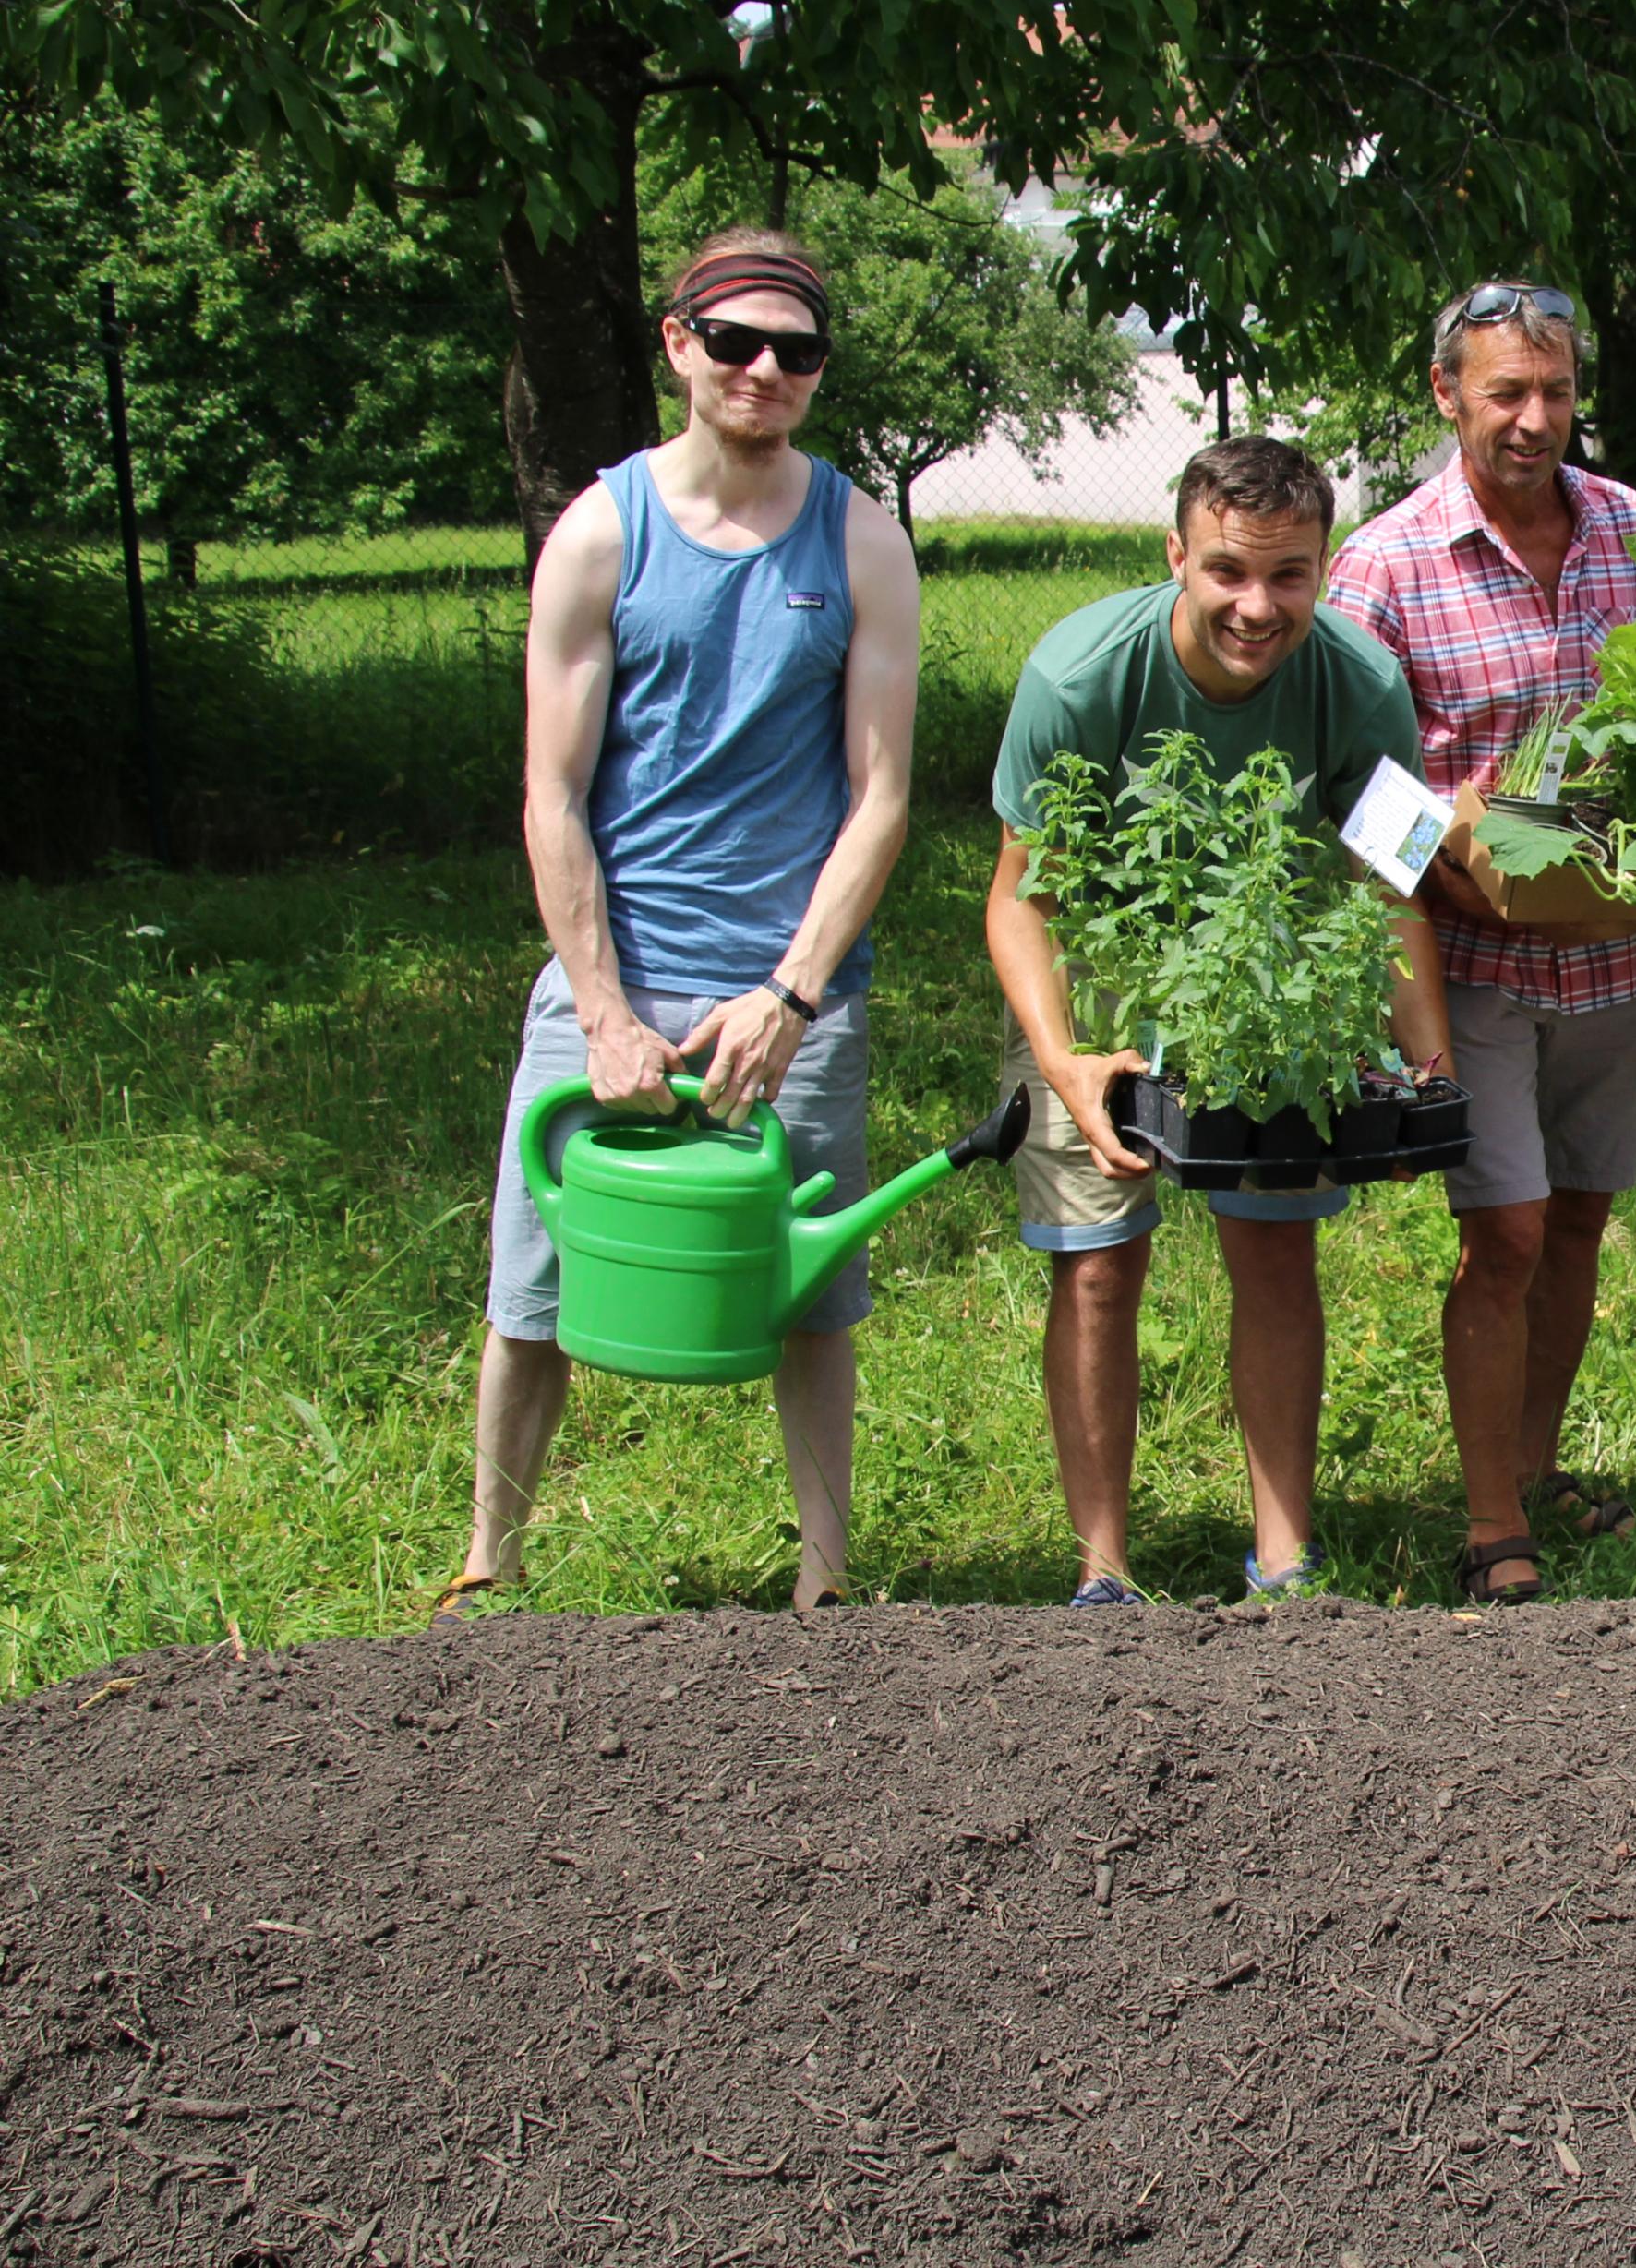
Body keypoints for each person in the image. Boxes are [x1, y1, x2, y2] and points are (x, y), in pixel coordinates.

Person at [445, 228, 922, 1619]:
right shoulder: (602, 532)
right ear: (679, 345)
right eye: (735, 341)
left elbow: (882, 799)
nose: (765, 369)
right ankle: (489, 1564)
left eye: (797, 349)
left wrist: (791, 995)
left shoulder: (862, 540)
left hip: (791, 989)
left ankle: (825, 1584)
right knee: (531, 1289)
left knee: (811, 1291)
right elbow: (551, 796)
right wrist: (601, 1015)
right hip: (615, 977)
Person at [985, 436, 1453, 1605]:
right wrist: (1065, 1062)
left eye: (1289, 575)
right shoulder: (1075, 677)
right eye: (1228, 571)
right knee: (1097, 1267)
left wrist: (1429, 1071)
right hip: (1101, 976)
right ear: (1176, 557)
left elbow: (1393, 888)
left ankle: (1286, 1559)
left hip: (1271, 978)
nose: (1258, 606)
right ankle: (1103, 1571)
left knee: (1275, 1248)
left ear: (1324, 567)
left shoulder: (1368, 684)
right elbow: (1021, 898)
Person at [1329, 282, 1636, 1605]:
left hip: (1615, 955)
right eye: (1505, 392)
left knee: (1578, 1216)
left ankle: (1531, 1466)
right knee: (1508, 1232)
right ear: (1445, 393)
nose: (1534, 418)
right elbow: (1357, 791)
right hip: (1474, 962)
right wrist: (1469, 889)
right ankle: (1488, 1520)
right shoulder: (1385, 566)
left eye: (1556, 391)